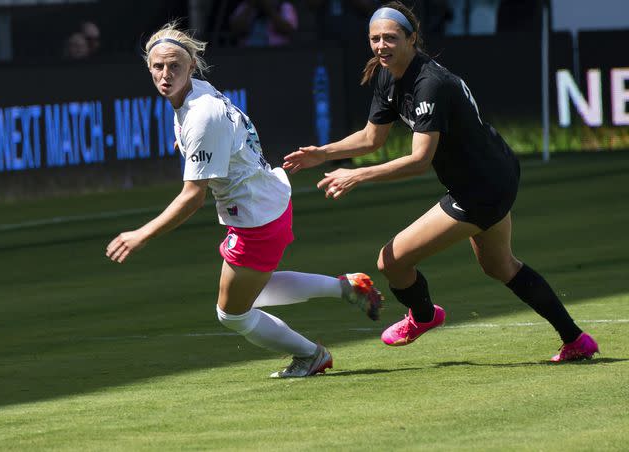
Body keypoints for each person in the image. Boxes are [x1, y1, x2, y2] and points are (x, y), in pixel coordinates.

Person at [283, 1, 599, 362]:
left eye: (390, 37)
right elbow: (372, 138)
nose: (381, 46)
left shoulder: (430, 84)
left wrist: (357, 174)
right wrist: (322, 153)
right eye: (375, 39)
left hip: (481, 185)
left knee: (392, 262)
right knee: (500, 266)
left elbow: (419, 160)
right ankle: (576, 340)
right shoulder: (388, 73)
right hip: (492, 174)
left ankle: (424, 316)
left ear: (412, 38)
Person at [106, 22, 384, 378]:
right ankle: (347, 287)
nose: (165, 74)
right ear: (148, 67)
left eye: (174, 66)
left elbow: (192, 197)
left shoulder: (201, 115)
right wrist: (192, 145)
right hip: (268, 201)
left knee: (232, 313)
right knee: (256, 288)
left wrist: (140, 234)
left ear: (191, 66)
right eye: (158, 66)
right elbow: (225, 133)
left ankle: (311, 355)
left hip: (255, 217)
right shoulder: (198, 94)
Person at [229, 0, 298, 47]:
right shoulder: (245, 6)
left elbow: (288, 30)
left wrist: (268, 9)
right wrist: (250, 6)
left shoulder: (285, 6)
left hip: (277, 54)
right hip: (247, 53)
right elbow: (236, 30)